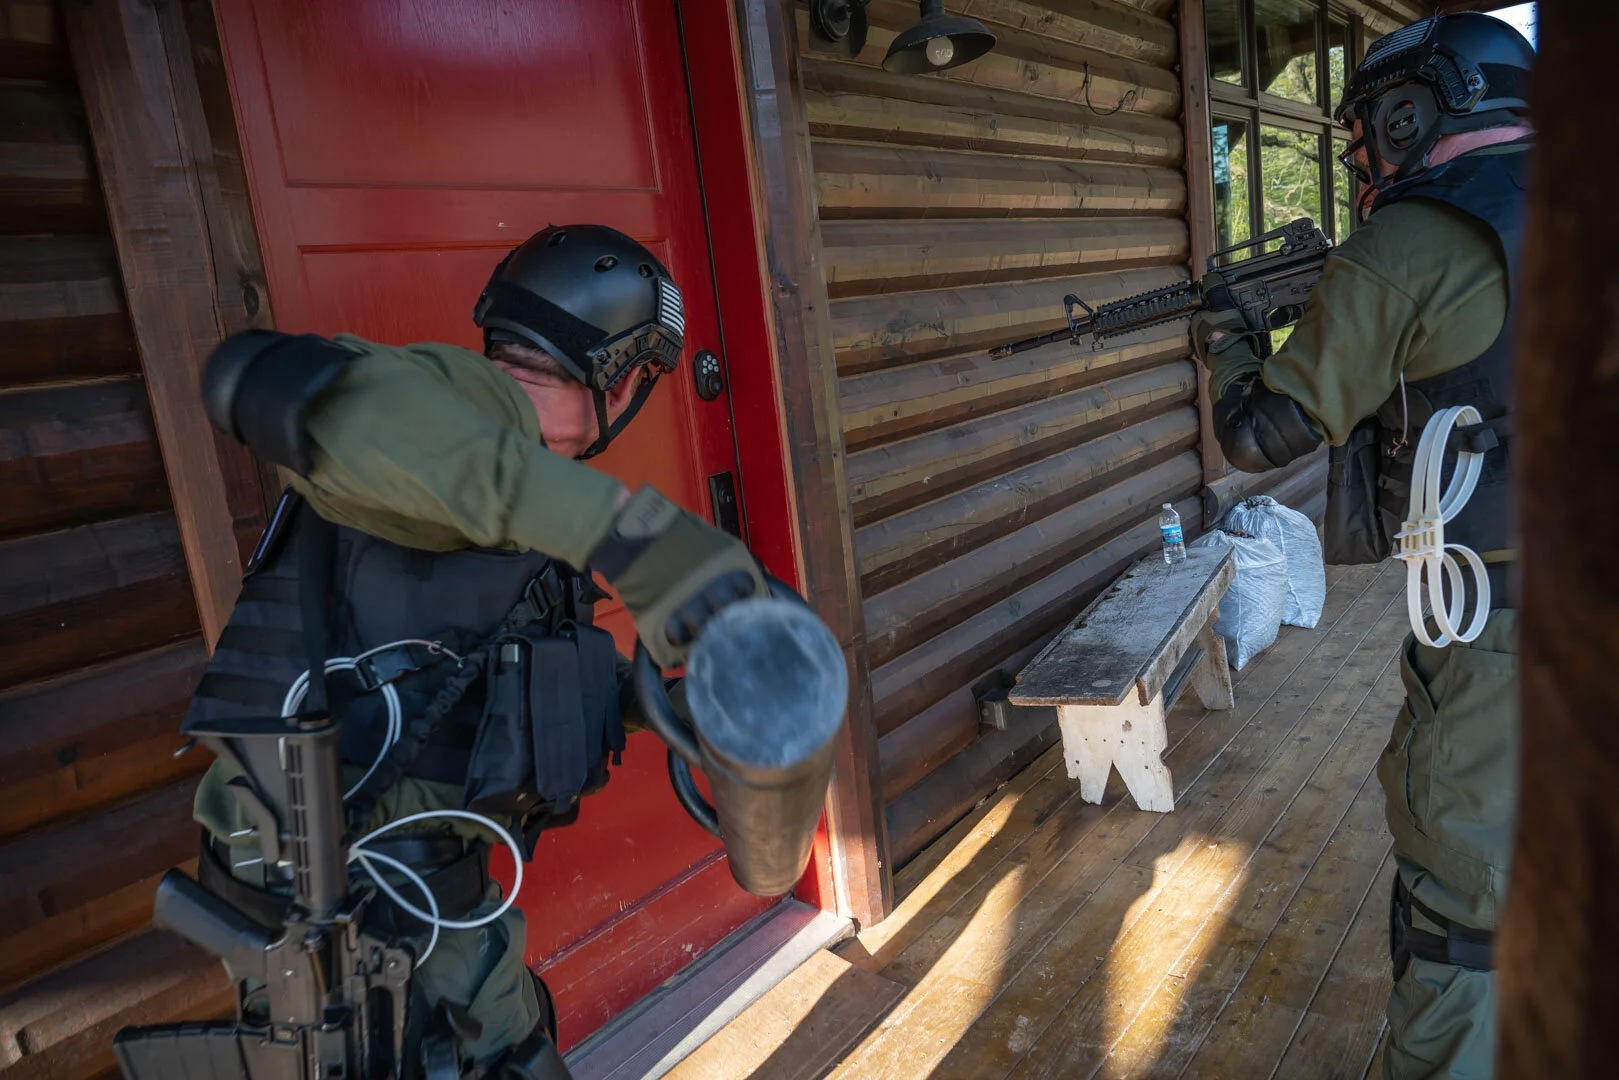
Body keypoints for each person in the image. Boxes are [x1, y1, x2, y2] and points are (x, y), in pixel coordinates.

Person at [184, 224, 768, 1076]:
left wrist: (677, 706)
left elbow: (518, 660)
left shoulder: (520, 487)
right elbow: (264, 380)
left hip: (413, 883)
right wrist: (631, 537)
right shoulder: (464, 406)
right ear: (619, 375)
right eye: (641, 378)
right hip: (328, 893)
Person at [1190, 13, 1533, 1079]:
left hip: (1504, 636)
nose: (1358, 155)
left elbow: (1259, 435)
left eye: (1365, 130)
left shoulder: (1413, 239)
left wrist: (1227, 340)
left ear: (1412, 113)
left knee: (1460, 913)